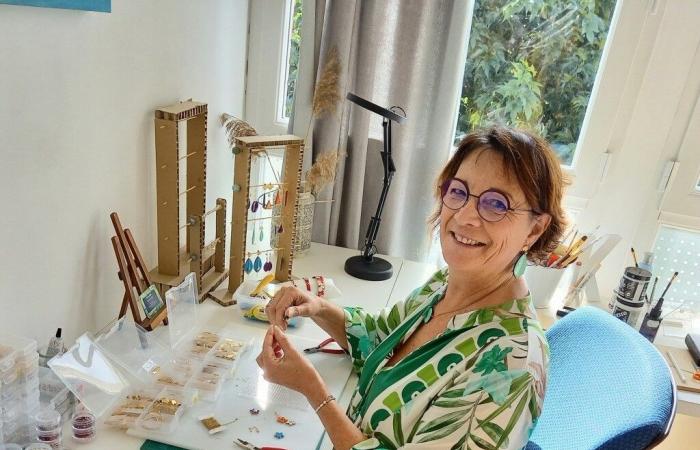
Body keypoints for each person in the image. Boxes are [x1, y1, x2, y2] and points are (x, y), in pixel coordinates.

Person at [257, 126, 568, 449]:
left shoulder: (511, 364)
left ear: (535, 229)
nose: (464, 216)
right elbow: (381, 339)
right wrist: (318, 308)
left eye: (496, 204)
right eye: (459, 192)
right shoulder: (444, 284)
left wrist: (313, 390)